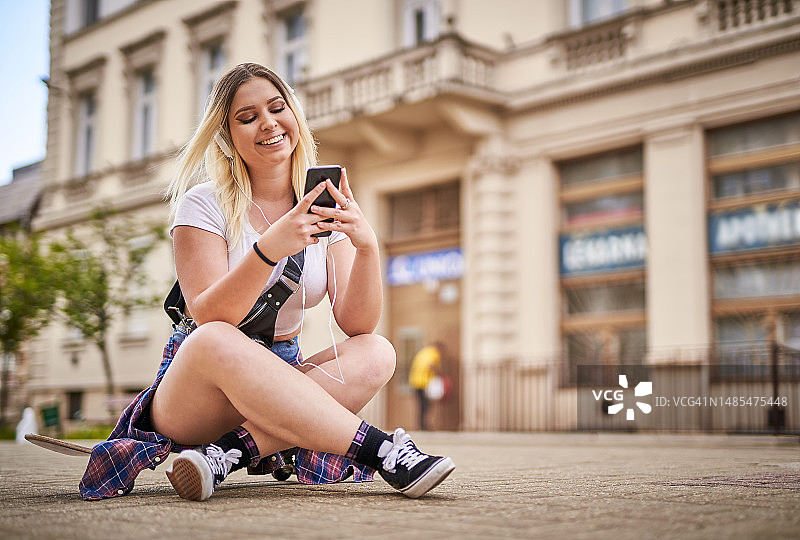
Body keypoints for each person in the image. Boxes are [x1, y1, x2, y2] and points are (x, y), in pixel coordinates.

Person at [78, 63, 454, 501]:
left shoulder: (324, 206)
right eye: (247, 116)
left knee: (377, 352)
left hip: (282, 373)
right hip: (199, 388)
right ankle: (384, 450)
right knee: (214, 338)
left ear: (294, 115)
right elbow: (211, 316)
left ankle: (226, 455)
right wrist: (268, 250)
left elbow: (356, 323)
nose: (268, 123)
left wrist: (368, 247)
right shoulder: (204, 205)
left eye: (277, 108)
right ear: (228, 136)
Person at [408, 342, 443, 430]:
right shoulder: (434, 353)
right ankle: (424, 425)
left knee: (421, 405)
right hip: (424, 383)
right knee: (426, 405)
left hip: (415, 382)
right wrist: (437, 373)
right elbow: (431, 365)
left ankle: (421, 424)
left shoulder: (423, 352)